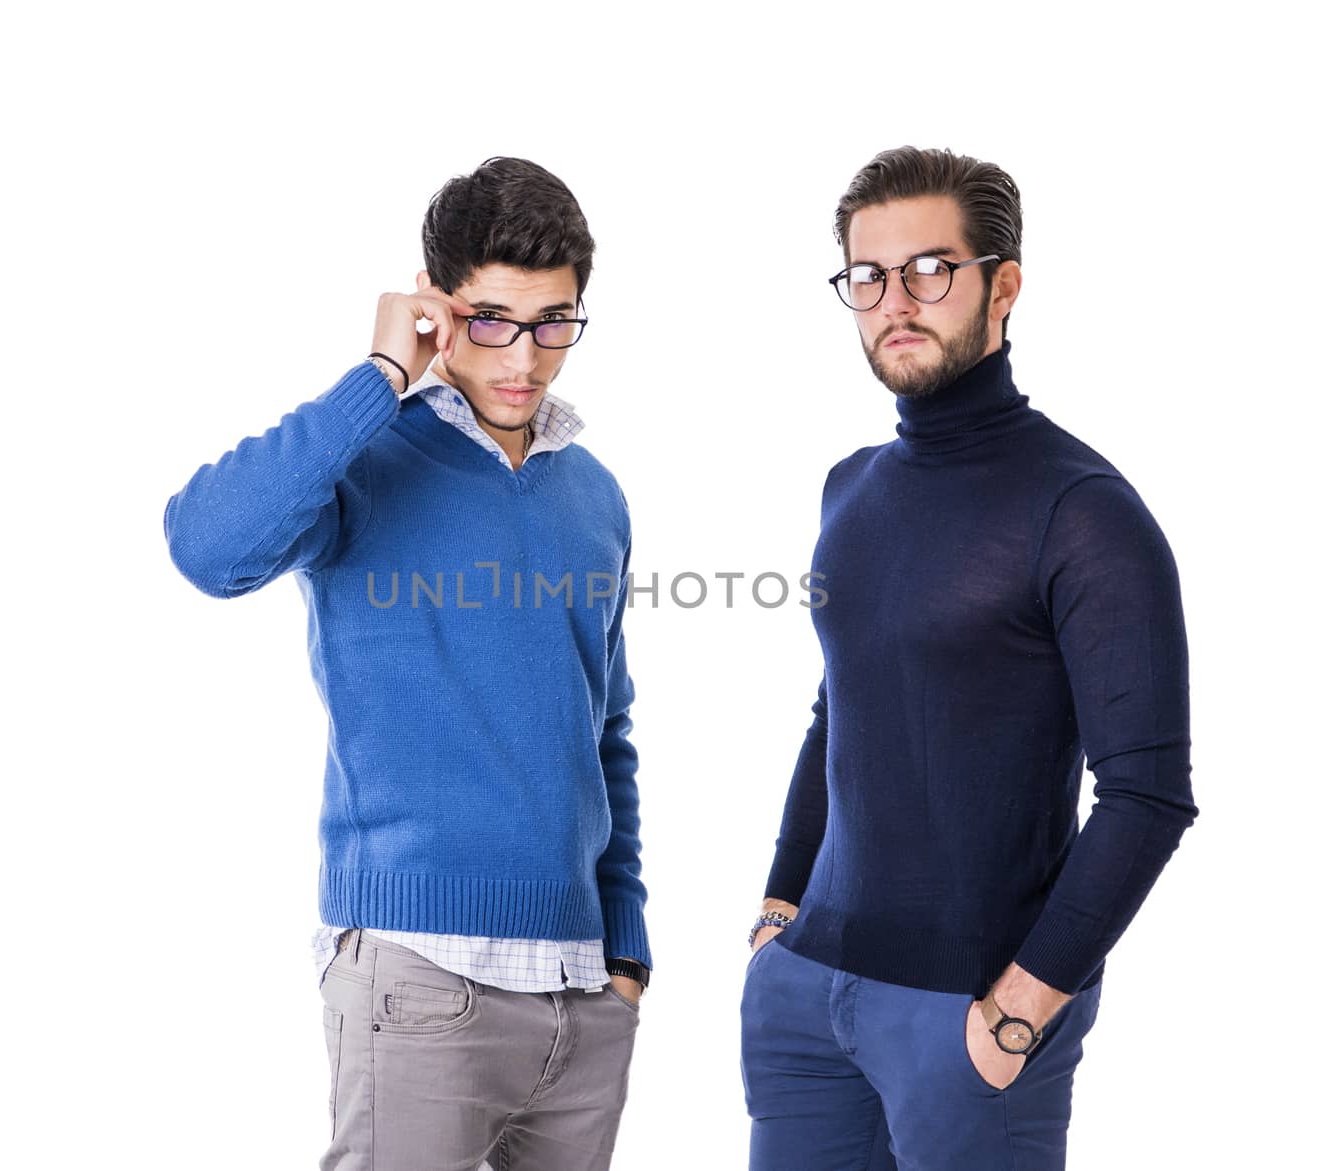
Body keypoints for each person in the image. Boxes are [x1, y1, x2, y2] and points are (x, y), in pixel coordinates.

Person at [164, 156, 649, 1171]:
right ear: (435, 305)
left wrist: (625, 949)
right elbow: (209, 547)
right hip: (421, 976)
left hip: (580, 993)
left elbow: (604, 728)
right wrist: (380, 378)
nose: (525, 357)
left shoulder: (593, 494)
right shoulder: (367, 459)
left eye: (553, 321)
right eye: (491, 320)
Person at [740, 146, 1197, 1170]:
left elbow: (1146, 794)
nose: (895, 300)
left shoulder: (1080, 512)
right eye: (869, 276)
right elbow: (837, 714)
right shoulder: (848, 489)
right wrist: (777, 914)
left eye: (929, 269)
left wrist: (1017, 1014)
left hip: (970, 1014)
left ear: (1003, 285)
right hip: (804, 996)